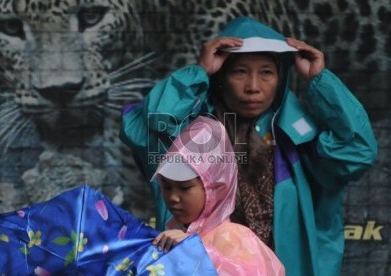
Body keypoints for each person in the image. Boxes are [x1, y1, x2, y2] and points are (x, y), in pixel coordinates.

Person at [120, 16, 377, 276]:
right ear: (221, 76)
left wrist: (320, 81)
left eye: (266, 72)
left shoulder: (298, 137)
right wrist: (198, 73)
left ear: (281, 78)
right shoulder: (191, 136)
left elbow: (356, 151)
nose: (253, 87)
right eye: (239, 72)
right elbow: (154, 123)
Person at [151, 116, 285, 275]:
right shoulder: (175, 236)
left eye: (185, 188)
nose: (173, 197)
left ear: (214, 187)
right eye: (166, 187)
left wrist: (200, 253)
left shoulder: (233, 237)